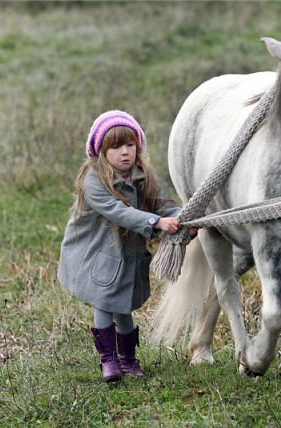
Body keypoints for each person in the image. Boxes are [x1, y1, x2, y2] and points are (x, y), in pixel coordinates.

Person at [58, 110, 194, 382]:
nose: (125, 152)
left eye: (130, 145)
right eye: (116, 147)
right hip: (98, 251)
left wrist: (183, 217)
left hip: (127, 253)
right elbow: (117, 211)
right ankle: (108, 360)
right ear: (101, 151)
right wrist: (157, 222)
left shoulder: (142, 175)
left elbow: (161, 202)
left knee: (123, 306)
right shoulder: (94, 179)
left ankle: (129, 360)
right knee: (105, 300)